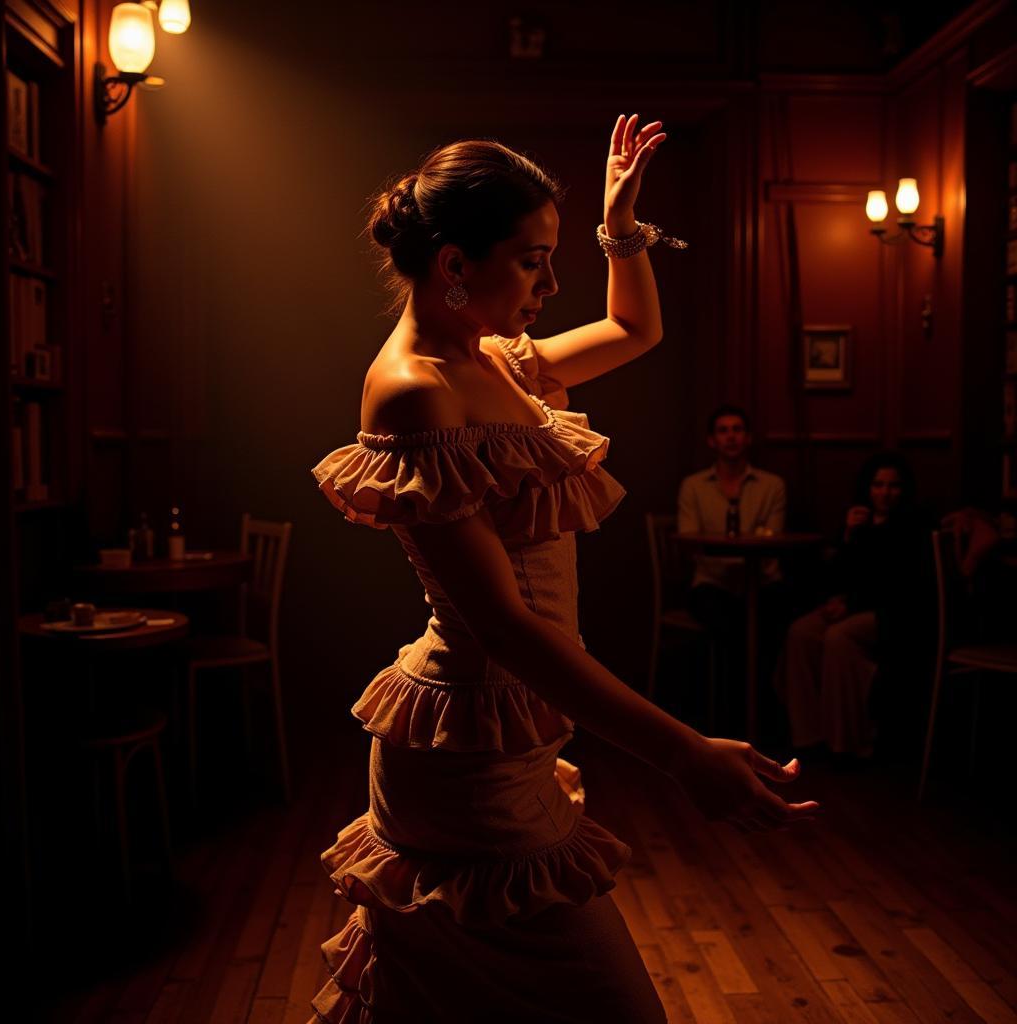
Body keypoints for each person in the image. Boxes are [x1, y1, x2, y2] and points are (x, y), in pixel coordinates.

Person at [309, 116, 818, 1024]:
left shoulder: (493, 357)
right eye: (531, 260)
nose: (552, 282)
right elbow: (506, 627)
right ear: (457, 264)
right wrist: (684, 755)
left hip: (509, 736)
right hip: (467, 762)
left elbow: (633, 326)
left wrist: (621, 227)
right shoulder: (416, 388)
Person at [776, 451, 930, 759]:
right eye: (878, 485)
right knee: (801, 632)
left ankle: (846, 743)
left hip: (894, 613)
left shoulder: (913, 525)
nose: (885, 493)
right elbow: (840, 574)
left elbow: (898, 584)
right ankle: (808, 736)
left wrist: (850, 604)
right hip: (852, 605)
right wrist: (848, 535)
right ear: (868, 488)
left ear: (904, 489)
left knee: (839, 637)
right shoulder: (860, 522)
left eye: (893, 486)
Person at [677, 407, 788, 729]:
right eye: (723, 430)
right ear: (712, 440)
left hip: (764, 583)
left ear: (748, 437)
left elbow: (773, 541)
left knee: (777, 620)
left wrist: (732, 552)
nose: (731, 436)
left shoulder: (772, 486)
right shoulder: (694, 486)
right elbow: (691, 542)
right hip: (712, 584)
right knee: (732, 624)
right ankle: (732, 722)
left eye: (737, 429)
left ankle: (765, 718)